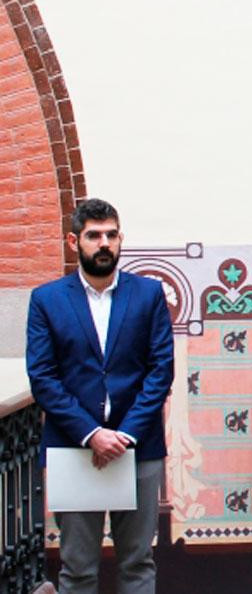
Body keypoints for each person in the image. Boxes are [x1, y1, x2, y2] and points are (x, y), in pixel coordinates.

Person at [26, 198, 175, 594]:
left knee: (138, 563)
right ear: (75, 241)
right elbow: (43, 377)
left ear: (121, 238)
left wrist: (123, 434)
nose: (104, 243)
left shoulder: (148, 294)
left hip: (137, 447)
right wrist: (92, 433)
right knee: (77, 569)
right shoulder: (47, 300)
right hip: (73, 449)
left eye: (111, 234)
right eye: (94, 235)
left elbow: (160, 371)